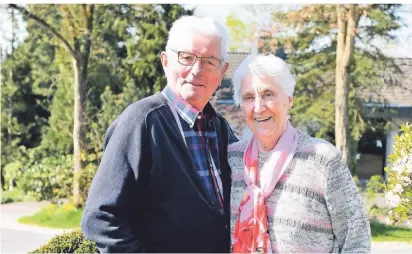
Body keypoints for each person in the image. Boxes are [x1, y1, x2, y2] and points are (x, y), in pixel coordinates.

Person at [81, 16, 238, 253]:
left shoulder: (220, 129)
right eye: (186, 57)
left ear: (223, 70)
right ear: (165, 61)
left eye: (210, 61)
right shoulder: (141, 122)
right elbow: (101, 217)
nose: (197, 70)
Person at [228, 54, 371, 253]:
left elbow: (356, 240)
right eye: (249, 97)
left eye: (268, 94)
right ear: (241, 107)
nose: (259, 107)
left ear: (289, 100)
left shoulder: (322, 159)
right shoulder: (231, 159)